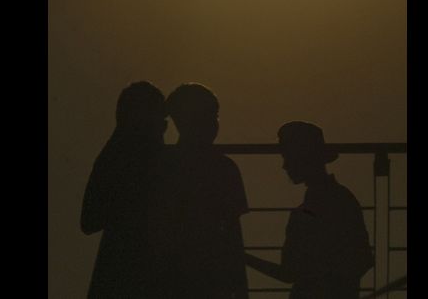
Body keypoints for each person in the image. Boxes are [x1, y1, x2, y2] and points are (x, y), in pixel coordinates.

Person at [245, 121, 373, 299]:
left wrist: (243, 257)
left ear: (301, 159)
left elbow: (287, 274)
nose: (285, 166)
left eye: (287, 158)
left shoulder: (304, 213)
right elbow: (363, 258)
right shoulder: (344, 199)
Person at [157, 83, 249, 299]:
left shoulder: (163, 165)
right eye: (211, 116)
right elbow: (234, 237)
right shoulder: (225, 169)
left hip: (170, 278)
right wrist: (242, 290)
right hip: (213, 279)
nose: (214, 124)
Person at [80, 81, 169, 298]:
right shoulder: (144, 161)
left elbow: (88, 221)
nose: (163, 128)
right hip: (137, 275)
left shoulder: (111, 156)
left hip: (114, 276)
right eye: (160, 121)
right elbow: (89, 220)